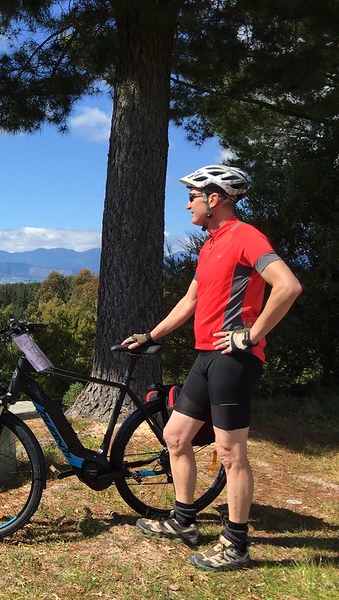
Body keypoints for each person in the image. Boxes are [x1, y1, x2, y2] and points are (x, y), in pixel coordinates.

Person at [124, 164, 302, 571]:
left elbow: (288, 285)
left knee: (230, 453)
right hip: (207, 356)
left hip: (234, 360)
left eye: (193, 196)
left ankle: (237, 545)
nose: (188, 204)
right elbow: (190, 302)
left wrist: (251, 334)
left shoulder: (245, 236)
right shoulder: (210, 244)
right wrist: (149, 336)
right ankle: (184, 521)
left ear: (215, 198)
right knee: (175, 435)